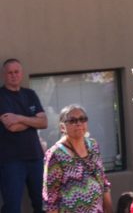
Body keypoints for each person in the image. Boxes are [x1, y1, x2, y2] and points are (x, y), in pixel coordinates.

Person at [43, 104, 112, 212]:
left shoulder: (93, 146)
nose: (79, 123)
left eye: (82, 119)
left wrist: (109, 209)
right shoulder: (55, 154)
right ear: (62, 127)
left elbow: (103, 181)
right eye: (72, 120)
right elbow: (51, 199)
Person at [0, 58, 48, 213]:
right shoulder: (1, 96)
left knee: (42, 204)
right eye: (10, 72)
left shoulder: (30, 94)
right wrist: (33, 120)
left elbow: (44, 123)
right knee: (12, 207)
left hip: (35, 158)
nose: (14, 75)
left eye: (16, 72)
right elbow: (12, 127)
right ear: (4, 75)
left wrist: (20, 117)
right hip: (11, 161)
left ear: (21, 73)